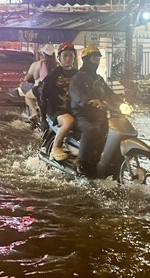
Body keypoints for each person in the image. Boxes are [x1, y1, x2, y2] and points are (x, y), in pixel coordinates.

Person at [69, 45, 121, 178]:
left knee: (113, 131)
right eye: (94, 59)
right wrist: (90, 101)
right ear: (86, 60)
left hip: (100, 114)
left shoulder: (99, 80)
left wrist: (121, 102)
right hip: (83, 114)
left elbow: (110, 94)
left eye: (98, 59)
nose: (96, 62)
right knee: (91, 129)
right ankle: (81, 162)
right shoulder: (77, 78)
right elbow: (78, 95)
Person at [39, 42, 78, 161]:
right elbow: (42, 94)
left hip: (75, 108)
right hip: (57, 109)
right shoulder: (53, 75)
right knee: (69, 121)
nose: (68, 59)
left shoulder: (78, 74)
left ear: (74, 58)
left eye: (70, 56)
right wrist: (43, 116)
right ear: (59, 58)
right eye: (65, 55)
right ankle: (56, 147)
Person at [19, 44, 58, 122]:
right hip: (54, 91)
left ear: (43, 54)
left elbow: (35, 77)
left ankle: (34, 112)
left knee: (27, 96)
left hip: (42, 89)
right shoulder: (57, 65)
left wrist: (22, 82)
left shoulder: (39, 64)